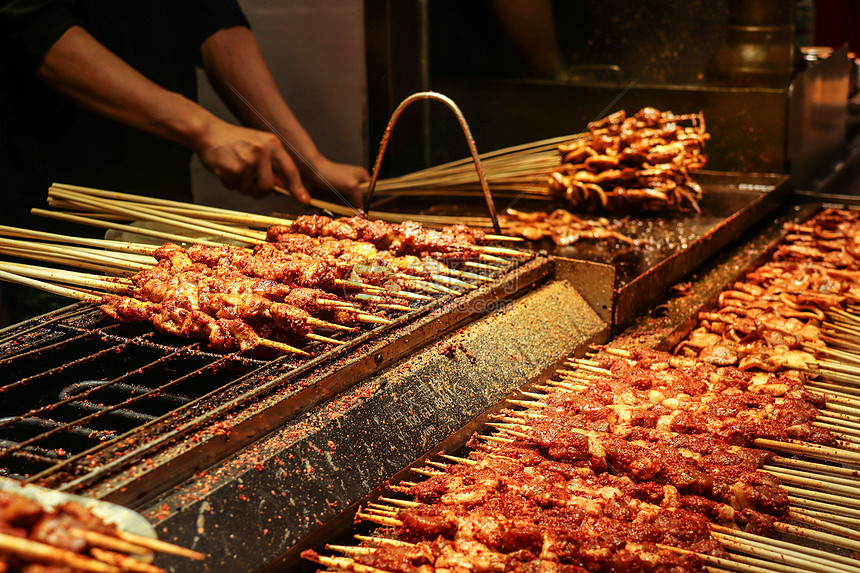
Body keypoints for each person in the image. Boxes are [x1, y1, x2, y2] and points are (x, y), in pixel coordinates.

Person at [0, 1, 370, 324]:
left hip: (166, 209)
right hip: (56, 222)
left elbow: (214, 19)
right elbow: (34, 26)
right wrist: (205, 129)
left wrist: (307, 159)